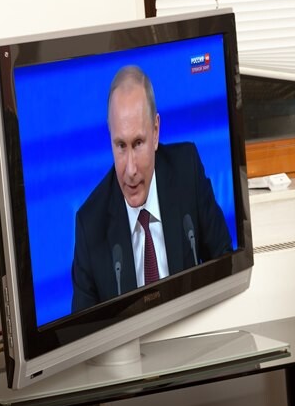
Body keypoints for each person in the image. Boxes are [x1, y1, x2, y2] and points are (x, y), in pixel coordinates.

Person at [71, 65, 232, 312]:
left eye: (138, 143)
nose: (130, 169)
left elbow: (225, 264)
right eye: (120, 146)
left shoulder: (186, 170)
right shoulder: (90, 225)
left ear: (155, 132)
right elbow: (84, 330)